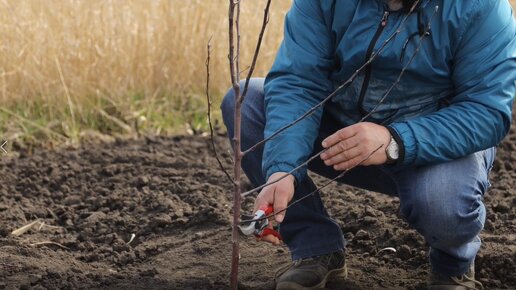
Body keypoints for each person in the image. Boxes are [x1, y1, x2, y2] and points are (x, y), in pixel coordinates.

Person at [221, 0, 516, 289]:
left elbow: (486, 112)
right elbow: (299, 82)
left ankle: (453, 268)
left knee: (443, 202)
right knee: (245, 104)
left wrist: (393, 141)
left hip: (435, 146)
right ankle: (317, 248)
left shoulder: (482, 6)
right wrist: (283, 168)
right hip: (345, 135)